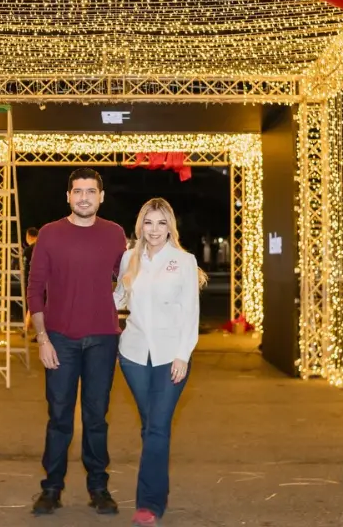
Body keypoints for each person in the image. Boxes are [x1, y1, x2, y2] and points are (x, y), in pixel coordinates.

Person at [27, 169, 128, 516]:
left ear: (101, 196)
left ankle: (98, 487)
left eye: (91, 191)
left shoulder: (115, 234)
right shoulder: (50, 235)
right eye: (77, 191)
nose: (84, 197)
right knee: (59, 417)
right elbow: (34, 289)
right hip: (60, 340)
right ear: (67, 196)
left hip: (103, 340)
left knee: (96, 417)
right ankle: (51, 488)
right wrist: (42, 339)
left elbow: (129, 280)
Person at [113, 198, 201, 526]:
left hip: (170, 358)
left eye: (161, 223)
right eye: (148, 223)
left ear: (170, 227)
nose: (154, 230)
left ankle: (148, 505)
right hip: (133, 355)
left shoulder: (184, 260)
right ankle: (158, 491)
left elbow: (191, 312)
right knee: (152, 428)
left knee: (157, 428)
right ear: (140, 226)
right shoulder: (128, 259)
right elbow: (119, 299)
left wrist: (183, 354)